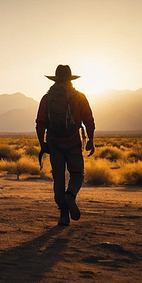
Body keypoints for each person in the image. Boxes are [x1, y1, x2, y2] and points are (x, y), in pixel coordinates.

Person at [35, 64, 95, 226]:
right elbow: (89, 119)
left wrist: (43, 144)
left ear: (55, 79)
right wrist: (91, 140)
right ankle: (71, 195)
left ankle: (63, 215)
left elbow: (40, 123)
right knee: (77, 174)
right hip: (73, 142)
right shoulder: (79, 97)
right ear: (70, 79)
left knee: (59, 178)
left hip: (54, 144)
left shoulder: (47, 99)